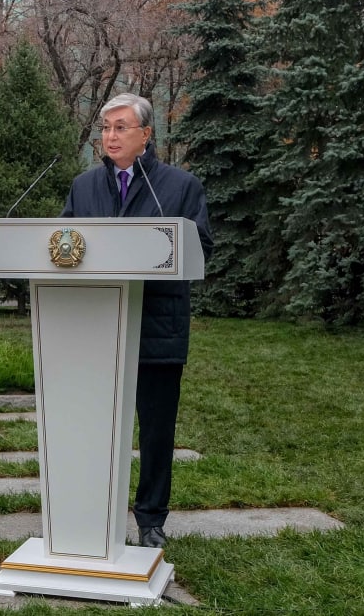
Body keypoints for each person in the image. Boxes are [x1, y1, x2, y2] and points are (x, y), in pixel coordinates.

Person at [60, 92, 213, 549]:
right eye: (105, 127)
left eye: (121, 127)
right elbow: (61, 245)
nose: (110, 135)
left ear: (146, 135)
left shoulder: (181, 187)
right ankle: (90, 509)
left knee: (156, 429)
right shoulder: (83, 187)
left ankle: (150, 519)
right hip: (97, 327)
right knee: (92, 423)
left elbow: (200, 249)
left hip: (156, 328)